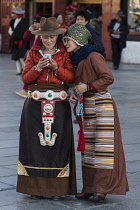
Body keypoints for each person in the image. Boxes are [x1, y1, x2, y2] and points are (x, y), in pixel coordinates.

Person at [63, 23, 129, 203]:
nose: (66, 43)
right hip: (88, 107)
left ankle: (101, 188)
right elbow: (80, 84)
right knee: (89, 150)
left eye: (68, 39)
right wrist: (75, 93)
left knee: (103, 150)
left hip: (101, 106)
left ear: (78, 40)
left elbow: (108, 78)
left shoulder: (93, 56)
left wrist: (89, 86)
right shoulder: (77, 59)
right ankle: (89, 187)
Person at [16, 17, 76, 200]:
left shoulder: (64, 54)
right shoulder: (33, 53)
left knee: (58, 146)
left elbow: (70, 78)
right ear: (40, 37)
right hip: (35, 104)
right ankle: (35, 188)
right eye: (45, 37)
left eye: (52, 37)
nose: (48, 40)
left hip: (59, 103)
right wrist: (37, 68)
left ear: (57, 36)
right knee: (33, 146)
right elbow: (26, 79)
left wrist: (57, 68)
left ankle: (56, 189)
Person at [15, 16, 42, 98]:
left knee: (33, 73)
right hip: (31, 55)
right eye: (34, 22)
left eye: (37, 23)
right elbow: (25, 38)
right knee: (28, 72)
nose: (35, 24)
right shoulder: (33, 33)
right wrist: (29, 30)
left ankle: (29, 89)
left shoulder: (43, 33)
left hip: (39, 56)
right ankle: (26, 89)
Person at [8, 7, 29, 75]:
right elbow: (10, 30)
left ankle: (24, 69)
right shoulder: (12, 21)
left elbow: (26, 31)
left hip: (22, 41)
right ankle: (18, 70)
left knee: (21, 56)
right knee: (16, 57)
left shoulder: (24, 22)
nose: (16, 15)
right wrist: (12, 33)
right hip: (14, 41)